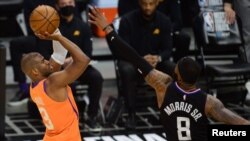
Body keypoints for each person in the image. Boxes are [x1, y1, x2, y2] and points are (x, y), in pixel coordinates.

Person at [88, 6, 250, 141]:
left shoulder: (163, 87)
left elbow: (133, 56)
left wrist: (108, 29)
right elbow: (242, 126)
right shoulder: (209, 102)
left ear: (177, 75)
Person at [21, 29, 90, 141]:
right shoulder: (52, 82)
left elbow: (59, 54)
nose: (48, 62)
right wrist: (59, 38)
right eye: (43, 61)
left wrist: (53, 30)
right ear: (35, 71)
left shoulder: (34, 88)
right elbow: (83, 60)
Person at [117, 0, 175, 129]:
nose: (147, 7)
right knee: (126, 69)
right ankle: (131, 114)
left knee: (172, 68)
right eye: (144, 4)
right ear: (139, 3)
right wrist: (140, 60)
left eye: (151, 4)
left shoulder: (164, 20)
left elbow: (168, 49)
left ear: (157, 3)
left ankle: (169, 112)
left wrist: (158, 58)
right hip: (134, 61)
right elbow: (122, 49)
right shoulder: (127, 20)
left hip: (155, 62)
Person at [55, 0, 103, 128]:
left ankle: (92, 115)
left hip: (80, 67)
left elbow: (88, 53)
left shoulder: (83, 26)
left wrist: (74, 60)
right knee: (64, 83)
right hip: (60, 69)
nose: (67, 6)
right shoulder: (54, 27)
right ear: (57, 6)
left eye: (70, 2)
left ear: (74, 4)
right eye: (63, 4)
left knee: (97, 78)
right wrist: (61, 61)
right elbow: (47, 52)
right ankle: (64, 117)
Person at [8, 0, 56, 106]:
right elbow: (31, 26)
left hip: (59, 35)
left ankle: (50, 87)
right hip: (39, 36)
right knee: (15, 44)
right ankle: (24, 89)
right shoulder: (29, 2)